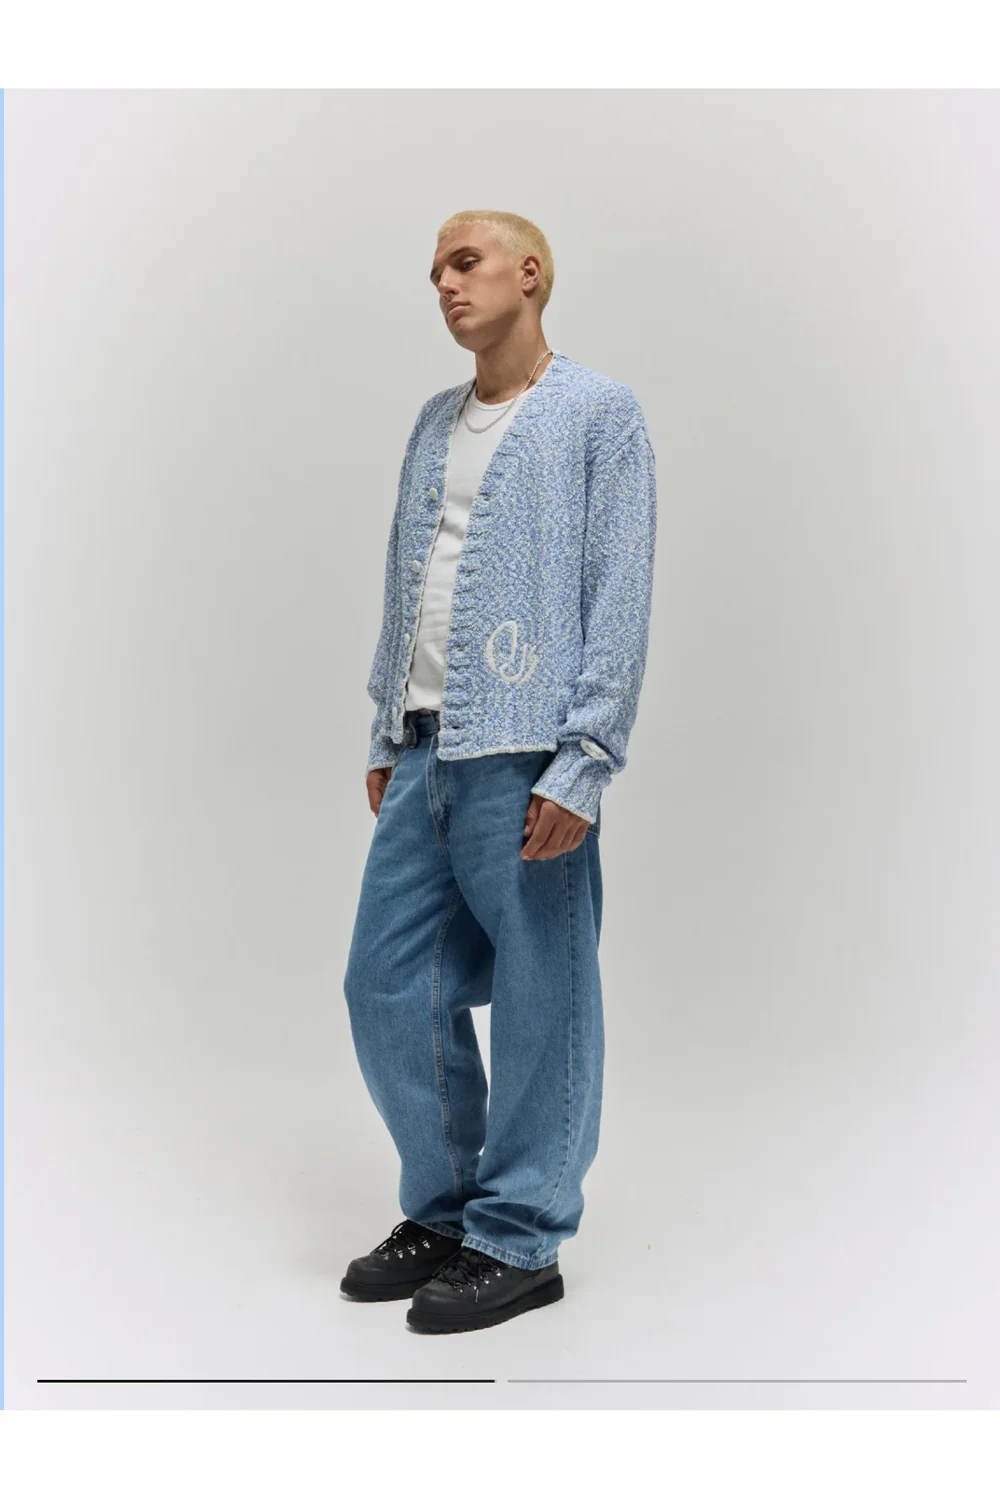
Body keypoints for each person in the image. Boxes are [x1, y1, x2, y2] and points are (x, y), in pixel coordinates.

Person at [341, 210, 658, 1334]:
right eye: (434, 268)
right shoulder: (435, 421)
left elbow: (620, 586)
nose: (444, 281)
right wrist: (387, 729)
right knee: (385, 984)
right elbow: (407, 572)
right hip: (426, 745)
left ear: (531, 273)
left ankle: (521, 1235)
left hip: (528, 755)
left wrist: (586, 759)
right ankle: (444, 1210)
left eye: (464, 261)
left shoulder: (598, 412)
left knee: (541, 992)